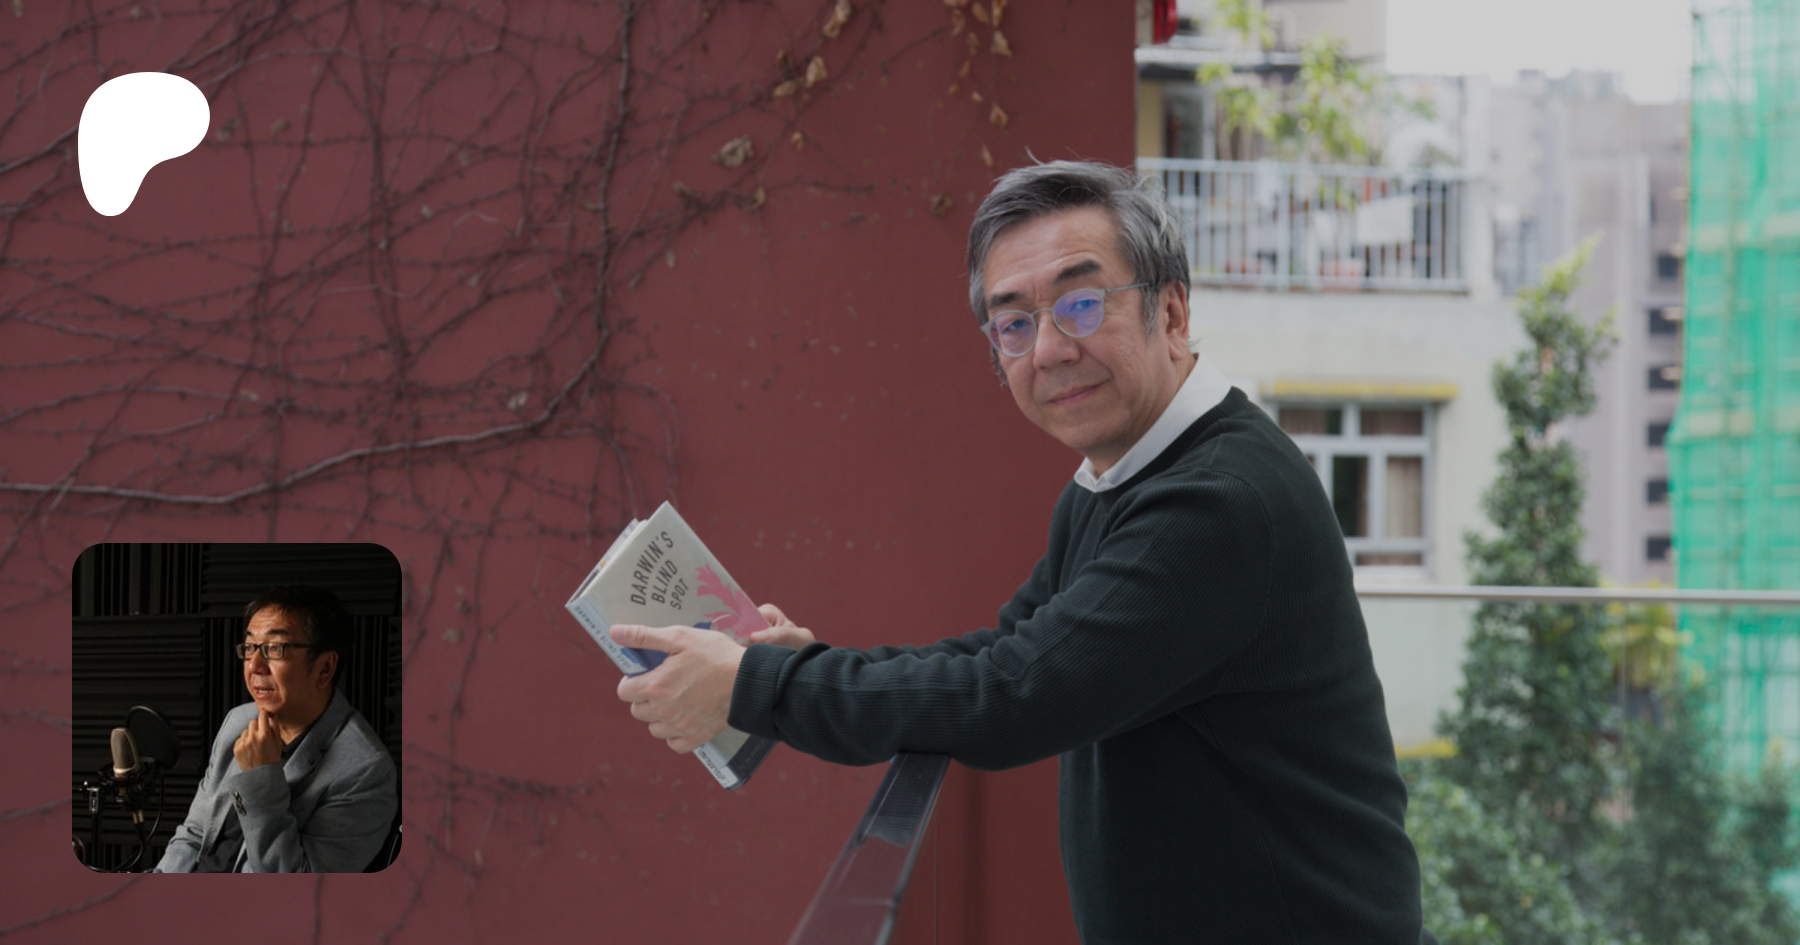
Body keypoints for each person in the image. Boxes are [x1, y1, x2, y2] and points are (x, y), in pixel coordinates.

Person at [612, 160, 1432, 943]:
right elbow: (1008, 652)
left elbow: (1011, 695)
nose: (1048, 349)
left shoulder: (1218, 502)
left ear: (1172, 313)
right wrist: (797, 665)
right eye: (1014, 323)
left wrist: (759, 685)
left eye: (1082, 304)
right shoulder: (1118, 479)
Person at [154, 584, 396, 873]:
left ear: (324, 668)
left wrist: (259, 778)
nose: (254, 666)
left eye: (274, 649)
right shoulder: (238, 721)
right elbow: (194, 834)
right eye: (250, 647)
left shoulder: (365, 771)